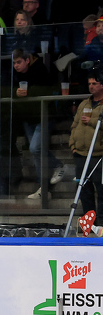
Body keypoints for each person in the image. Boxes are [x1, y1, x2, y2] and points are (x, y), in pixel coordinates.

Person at [11, 49, 63, 198]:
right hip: (29, 118)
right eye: (14, 63)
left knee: (35, 149)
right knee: (36, 155)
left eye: (19, 62)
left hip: (43, 116)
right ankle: (44, 189)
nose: (16, 65)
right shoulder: (15, 75)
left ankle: (57, 164)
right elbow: (9, 89)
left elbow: (48, 88)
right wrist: (16, 92)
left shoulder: (39, 70)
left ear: (27, 60)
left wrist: (30, 92)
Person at [69, 72, 103, 217]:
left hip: (98, 155)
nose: (91, 86)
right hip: (81, 154)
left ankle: (101, 225)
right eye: (89, 84)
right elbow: (74, 125)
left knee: (101, 192)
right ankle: (89, 225)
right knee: (84, 192)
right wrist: (72, 145)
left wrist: (92, 122)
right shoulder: (84, 103)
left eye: (94, 83)